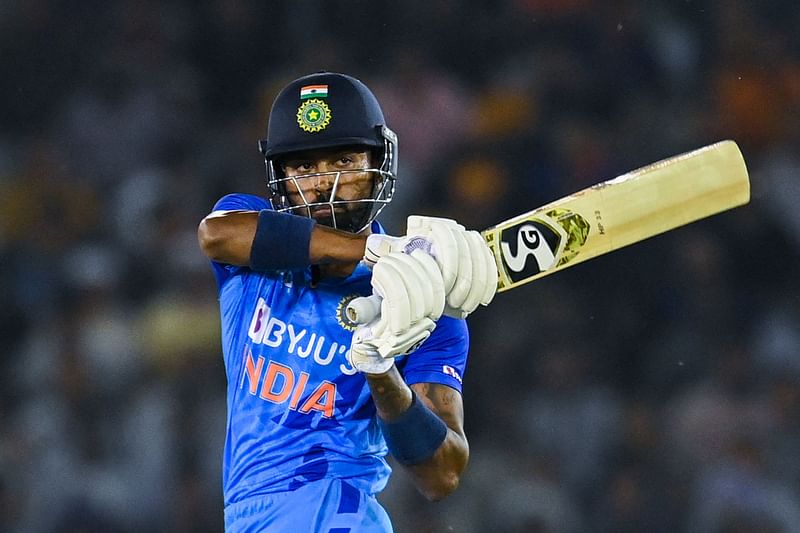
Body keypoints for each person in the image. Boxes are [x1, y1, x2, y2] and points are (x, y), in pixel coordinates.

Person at [197, 71, 497, 532]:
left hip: (338, 513)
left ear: (380, 164)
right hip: (248, 517)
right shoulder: (250, 245)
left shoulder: (427, 308)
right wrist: (378, 253)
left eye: (343, 159)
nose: (324, 183)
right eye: (303, 167)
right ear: (278, 177)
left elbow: (443, 473)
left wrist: (381, 371)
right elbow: (214, 234)